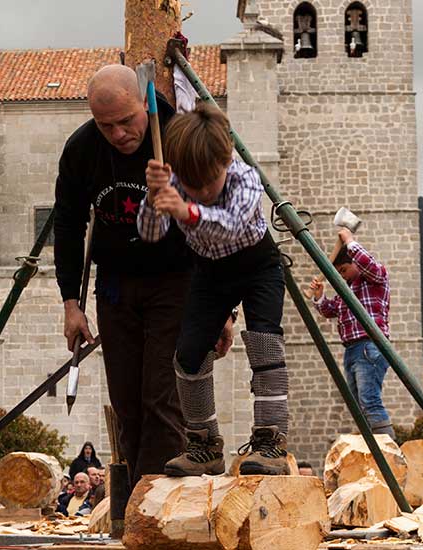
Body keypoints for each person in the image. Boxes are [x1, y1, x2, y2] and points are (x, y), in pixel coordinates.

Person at [54, 65, 234, 485]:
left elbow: (216, 222)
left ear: (145, 103)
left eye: (126, 121)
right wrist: (70, 303)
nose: (118, 134)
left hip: (180, 281)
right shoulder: (82, 149)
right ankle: (140, 500)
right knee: (127, 402)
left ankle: (161, 504)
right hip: (116, 284)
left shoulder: (178, 137)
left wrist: (223, 307)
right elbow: (67, 224)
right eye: (106, 125)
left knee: (162, 395)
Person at [137, 103, 291, 476]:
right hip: (209, 273)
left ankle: (271, 441)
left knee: (265, 344)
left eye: (210, 183)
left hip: (258, 267)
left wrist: (187, 212)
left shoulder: (245, 178)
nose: (203, 192)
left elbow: (232, 226)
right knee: (188, 356)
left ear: (224, 162)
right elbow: (150, 234)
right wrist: (154, 198)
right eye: (194, 186)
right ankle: (204, 444)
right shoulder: (174, 183)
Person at [309, 231, 394, 438]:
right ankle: (371, 443)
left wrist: (349, 241)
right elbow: (330, 310)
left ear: (356, 263)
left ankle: (387, 446)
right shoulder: (345, 291)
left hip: (369, 345)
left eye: (344, 270)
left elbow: (368, 263)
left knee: (369, 400)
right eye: (339, 273)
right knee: (358, 406)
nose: (342, 275)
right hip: (352, 350)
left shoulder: (375, 279)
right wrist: (319, 298)